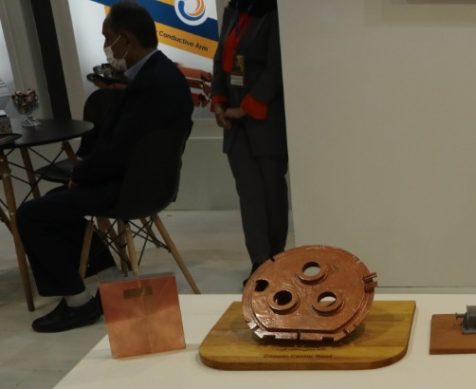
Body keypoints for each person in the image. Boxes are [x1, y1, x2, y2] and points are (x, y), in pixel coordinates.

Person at [17, 1, 192, 333]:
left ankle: (78, 303)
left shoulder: (150, 84)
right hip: (150, 184)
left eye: (107, 38)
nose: (106, 47)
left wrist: (80, 175)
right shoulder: (162, 73)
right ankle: (102, 277)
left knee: (31, 214)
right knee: (55, 203)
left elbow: (119, 150)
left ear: (126, 39)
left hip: (130, 188)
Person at [210, 0, 289, 280]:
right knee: (250, 197)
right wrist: (218, 101)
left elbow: (276, 68)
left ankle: (276, 262)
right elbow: (220, 59)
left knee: (272, 196)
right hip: (234, 122)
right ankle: (259, 264)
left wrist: (246, 107)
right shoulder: (233, 9)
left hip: (265, 121)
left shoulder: (276, 12)